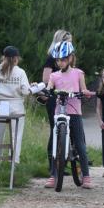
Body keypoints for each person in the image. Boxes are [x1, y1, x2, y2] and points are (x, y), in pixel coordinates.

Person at [45, 40, 97, 189]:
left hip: (74, 112)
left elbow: (83, 89)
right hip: (59, 112)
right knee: (55, 143)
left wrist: (85, 93)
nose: (60, 63)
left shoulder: (78, 73)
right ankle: (53, 175)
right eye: (58, 60)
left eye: (63, 59)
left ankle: (86, 176)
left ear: (70, 58)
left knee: (80, 144)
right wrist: (45, 91)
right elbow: (49, 88)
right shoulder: (54, 76)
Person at [0, 46, 33, 164]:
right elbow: (26, 91)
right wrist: (32, 88)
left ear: (3, 57)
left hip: (2, 105)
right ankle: (13, 161)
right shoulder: (20, 72)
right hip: (16, 105)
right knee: (16, 135)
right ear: (17, 58)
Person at [41, 29, 73, 175]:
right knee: (55, 129)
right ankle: (52, 164)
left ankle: (63, 164)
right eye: (68, 42)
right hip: (54, 96)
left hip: (67, 97)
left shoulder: (70, 58)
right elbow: (46, 79)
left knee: (67, 129)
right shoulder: (51, 58)